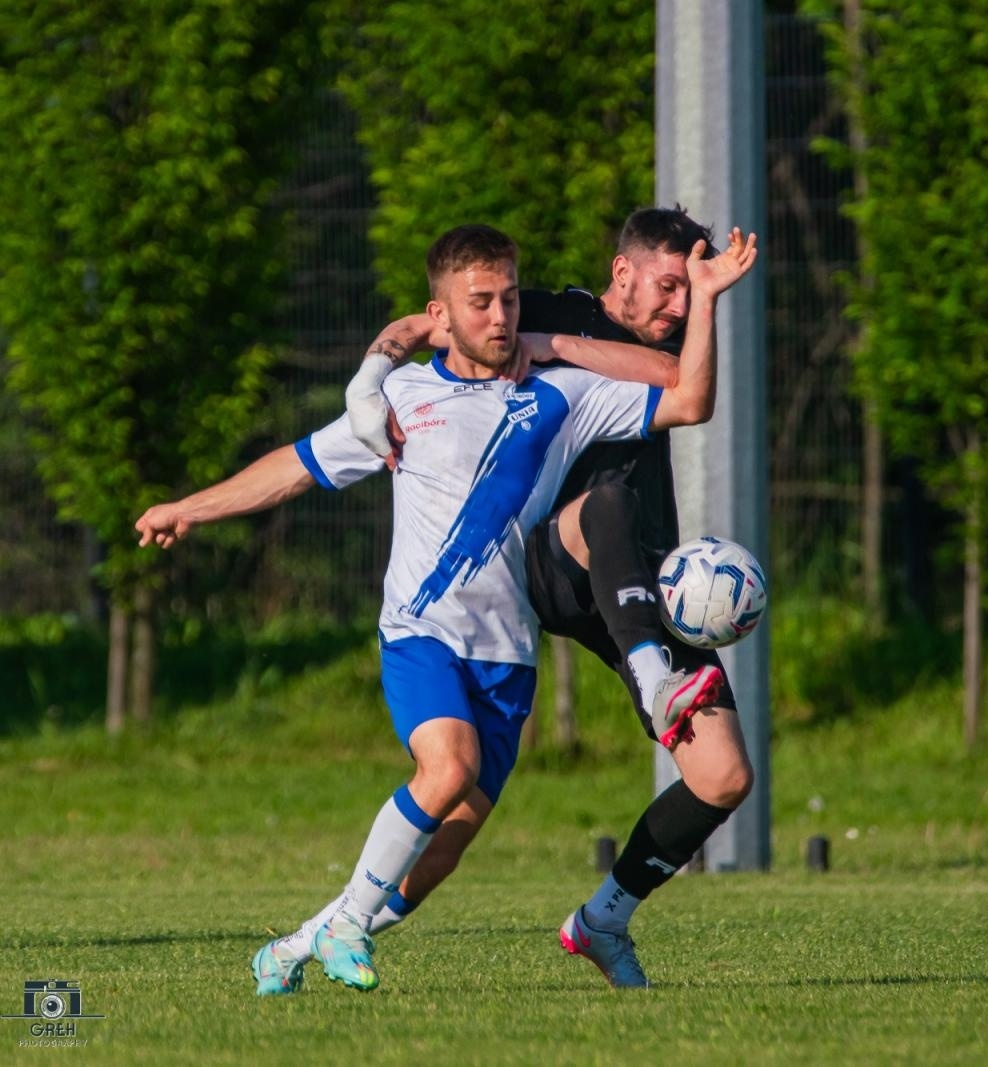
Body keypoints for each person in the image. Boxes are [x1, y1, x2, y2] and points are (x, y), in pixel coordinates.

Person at [135, 221, 757, 996]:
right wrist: (191, 506)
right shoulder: (405, 398)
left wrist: (653, 317)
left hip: (511, 649)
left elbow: (686, 389)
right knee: (448, 764)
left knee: (445, 844)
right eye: (482, 303)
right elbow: (298, 467)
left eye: (509, 301)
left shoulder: (561, 389)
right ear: (445, 312)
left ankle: (305, 940)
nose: (501, 317)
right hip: (426, 631)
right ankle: (351, 925)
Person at [345, 206, 756, 989]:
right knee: (605, 501)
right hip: (551, 562)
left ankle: (600, 918)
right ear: (622, 272)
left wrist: (694, 305)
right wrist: (368, 379)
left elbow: (690, 393)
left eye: (690, 294)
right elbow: (415, 324)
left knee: (723, 774)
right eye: (669, 287)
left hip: (635, 583)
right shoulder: (531, 308)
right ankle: (650, 676)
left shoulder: (609, 337)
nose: (676, 307)